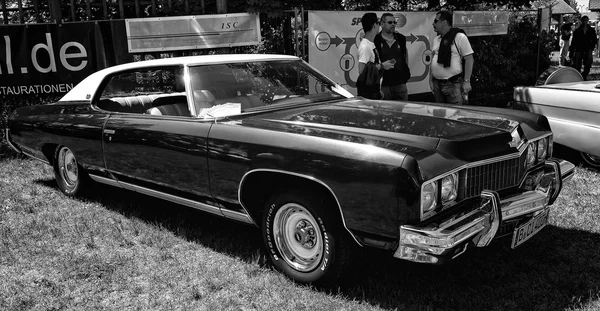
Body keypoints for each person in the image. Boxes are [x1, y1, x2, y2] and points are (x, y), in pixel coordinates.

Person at [429, 10, 474, 105]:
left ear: (444, 22)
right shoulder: (436, 39)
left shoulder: (459, 37)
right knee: (439, 113)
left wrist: (467, 81)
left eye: (435, 21)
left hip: (453, 84)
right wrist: (430, 79)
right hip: (437, 84)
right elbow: (433, 59)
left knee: (455, 114)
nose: (433, 23)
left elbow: (469, 59)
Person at [356, 12, 394, 99]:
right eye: (378, 23)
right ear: (374, 26)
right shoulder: (365, 46)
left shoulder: (370, 44)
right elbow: (362, 71)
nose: (380, 26)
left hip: (374, 90)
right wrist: (382, 66)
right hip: (368, 94)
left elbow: (371, 66)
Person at [374, 13, 411, 100]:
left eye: (394, 22)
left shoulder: (401, 38)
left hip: (400, 83)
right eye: (390, 22)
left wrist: (405, 76)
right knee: (385, 112)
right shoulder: (376, 40)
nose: (393, 24)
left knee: (402, 111)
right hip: (384, 85)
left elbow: (405, 56)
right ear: (382, 24)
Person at [569, 16, 597, 81]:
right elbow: (573, 42)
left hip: (588, 49)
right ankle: (578, 77)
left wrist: (592, 47)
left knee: (588, 64)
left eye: (586, 20)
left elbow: (594, 40)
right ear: (582, 21)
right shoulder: (577, 31)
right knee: (577, 65)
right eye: (584, 20)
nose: (585, 22)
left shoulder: (591, 30)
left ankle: (584, 75)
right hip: (579, 49)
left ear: (588, 21)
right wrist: (571, 54)